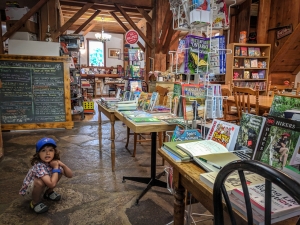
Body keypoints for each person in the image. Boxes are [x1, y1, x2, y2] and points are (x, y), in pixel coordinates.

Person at [19, 137, 73, 214]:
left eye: (50, 150)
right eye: (43, 150)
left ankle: (48, 193)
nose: (47, 153)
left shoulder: (53, 162)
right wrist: (55, 167)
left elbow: (70, 175)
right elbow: (51, 184)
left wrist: (62, 165)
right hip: (30, 192)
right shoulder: (39, 165)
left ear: (54, 152)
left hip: (45, 186)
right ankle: (34, 203)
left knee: (59, 171)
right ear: (38, 154)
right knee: (39, 181)